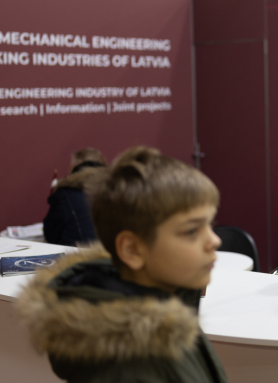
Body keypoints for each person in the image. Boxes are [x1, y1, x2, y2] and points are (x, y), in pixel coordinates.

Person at [17, 147, 228, 383]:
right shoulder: (129, 370)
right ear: (132, 250)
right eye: (191, 231)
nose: (215, 240)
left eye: (210, 224)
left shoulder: (172, 311)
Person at [43, 147, 107, 246]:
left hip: (80, 252)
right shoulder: (117, 187)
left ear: (72, 168)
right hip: (116, 252)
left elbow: (51, 234)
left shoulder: (66, 191)